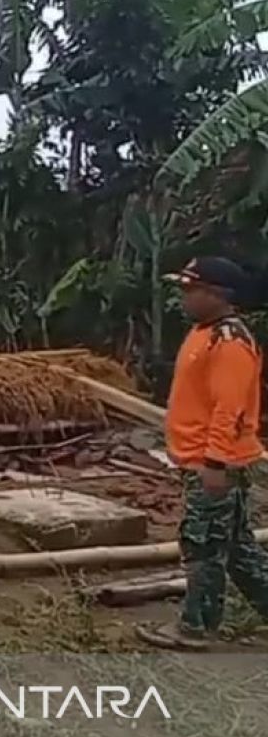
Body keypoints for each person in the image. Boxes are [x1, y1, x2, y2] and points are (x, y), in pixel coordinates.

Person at [137, 257, 268, 650]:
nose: (184, 297)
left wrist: (214, 462)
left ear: (217, 295)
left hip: (214, 463)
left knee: (203, 546)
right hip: (206, 460)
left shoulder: (229, 342)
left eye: (191, 289)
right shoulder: (203, 332)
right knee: (236, 547)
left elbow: (230, 409)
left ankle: (195, 627)